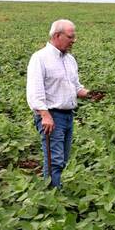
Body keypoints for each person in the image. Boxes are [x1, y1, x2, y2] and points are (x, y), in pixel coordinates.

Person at [26, 19, 90, 188]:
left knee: (63, 159)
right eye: (70, 37)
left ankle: (56, 189)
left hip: (68, 116)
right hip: (51, 117)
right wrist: (45, 115)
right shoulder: (40, 58)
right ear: (57, 35)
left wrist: (90, 94)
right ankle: (52, 198)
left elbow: (76, 87)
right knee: (54, 160)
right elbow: (35, 91)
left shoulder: (70, 59)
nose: (73, 40)